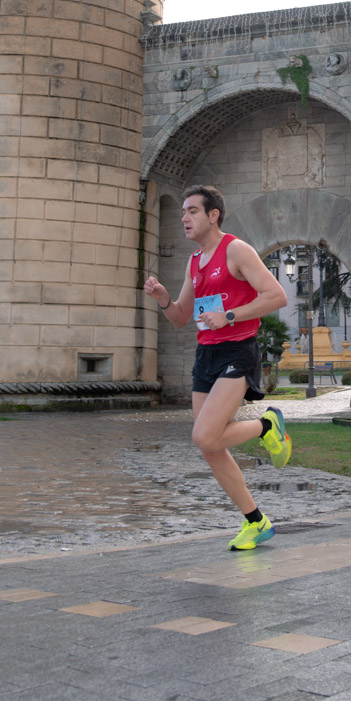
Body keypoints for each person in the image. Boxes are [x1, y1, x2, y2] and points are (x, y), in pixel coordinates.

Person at [144, 185, 290, 552]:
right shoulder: (194, 261)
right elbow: (181, 316)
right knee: (210, 446)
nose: (184, 218)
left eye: (192, 211)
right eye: (183, 212)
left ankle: (267, 425)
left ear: (213, 215)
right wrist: (164, 299)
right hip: (206, 355)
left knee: (205, 437)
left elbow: (276, 296)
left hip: (237, 350)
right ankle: (256, 521)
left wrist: (229, 316)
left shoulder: (236, 250)